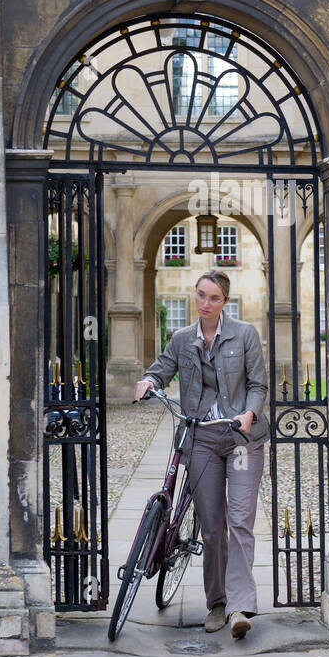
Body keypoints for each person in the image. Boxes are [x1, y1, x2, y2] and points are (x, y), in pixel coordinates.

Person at [135, 270, 269, 638]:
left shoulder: (244, 335)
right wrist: (148, 381)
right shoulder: (181, 339)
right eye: (200, 295)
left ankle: (240, 606)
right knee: (212, 527)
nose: (205, 303)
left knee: (240, 521)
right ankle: (218, 603)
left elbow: (259, 384)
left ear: (224, 301)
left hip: (240, 438)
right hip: (201, 440)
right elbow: (160, 370)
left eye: (213, 298)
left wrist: (249, 413)